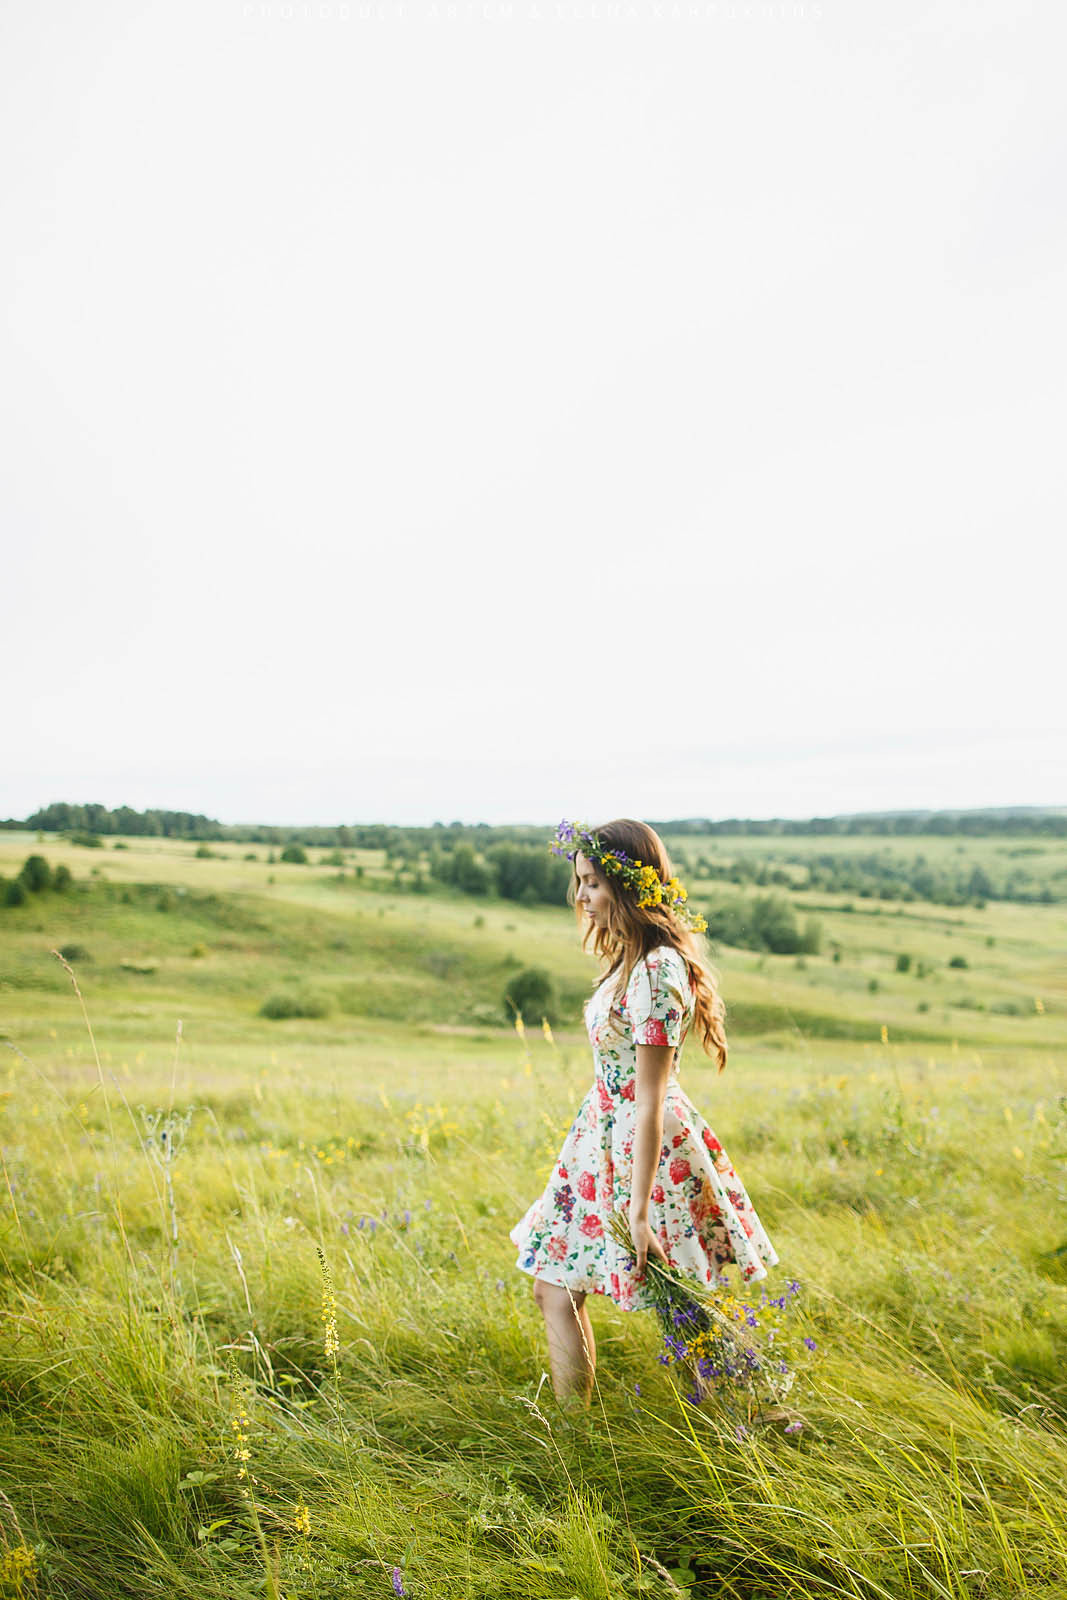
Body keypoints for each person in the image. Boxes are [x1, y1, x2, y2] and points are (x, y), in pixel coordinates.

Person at [508, 817, 779, 1408]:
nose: (581, 897)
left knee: (681, 1307)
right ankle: (576, 1435)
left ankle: (743, 1426)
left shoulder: (657, 970)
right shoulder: (631, 959)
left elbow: (651, 1094)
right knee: (554, 1287)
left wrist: (637, 1206)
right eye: (578, 883)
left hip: (643, 1144)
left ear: (629, 887)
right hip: (601, 1138)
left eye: (593, 884)